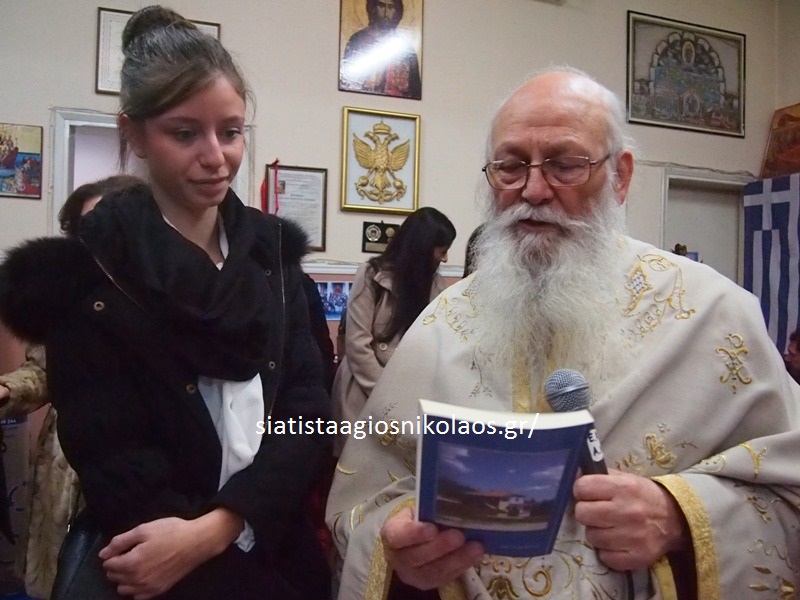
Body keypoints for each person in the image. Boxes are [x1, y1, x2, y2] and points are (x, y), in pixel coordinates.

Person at [326, 67, 800, 599]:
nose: (532, 190)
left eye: (565, 165)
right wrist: (403, 549)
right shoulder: (441, 324)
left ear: (620, 176)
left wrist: (678, 515)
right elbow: (363, 501)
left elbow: (789, 492)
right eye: (510, 166)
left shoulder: (713, 314)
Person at [0, 6, 330, 600]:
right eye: (184, 133)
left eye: (230, 131)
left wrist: (220, 527)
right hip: (157, 563)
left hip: (272, 547)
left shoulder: (272, 256)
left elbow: (307, 412)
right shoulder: (89, 275)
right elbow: (115, 459)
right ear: (134, 134)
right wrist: (200, 545)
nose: (215, 156)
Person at [0, 174, 141, 599]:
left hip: (143, 471)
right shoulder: (66, 297)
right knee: (68, 576)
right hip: (68, 464)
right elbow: (40, 371)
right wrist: (7, 390)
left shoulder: (171, 290)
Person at [331, 206, 455, 455]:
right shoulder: (371, 274)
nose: (445, 259)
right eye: (441, 250)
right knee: (357, 467)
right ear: (422, 247)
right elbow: (358, 344)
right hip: (364, 393)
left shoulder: (435, 284)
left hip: (409, 396)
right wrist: (386, 394)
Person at [339, 0, 422, 99]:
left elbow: (415, 90)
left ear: (397, 12)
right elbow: (347, 82)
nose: (386, 12)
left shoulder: (406, 49)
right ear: (373, 8)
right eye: (381, 6)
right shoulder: (357, 40)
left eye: (391, 7)